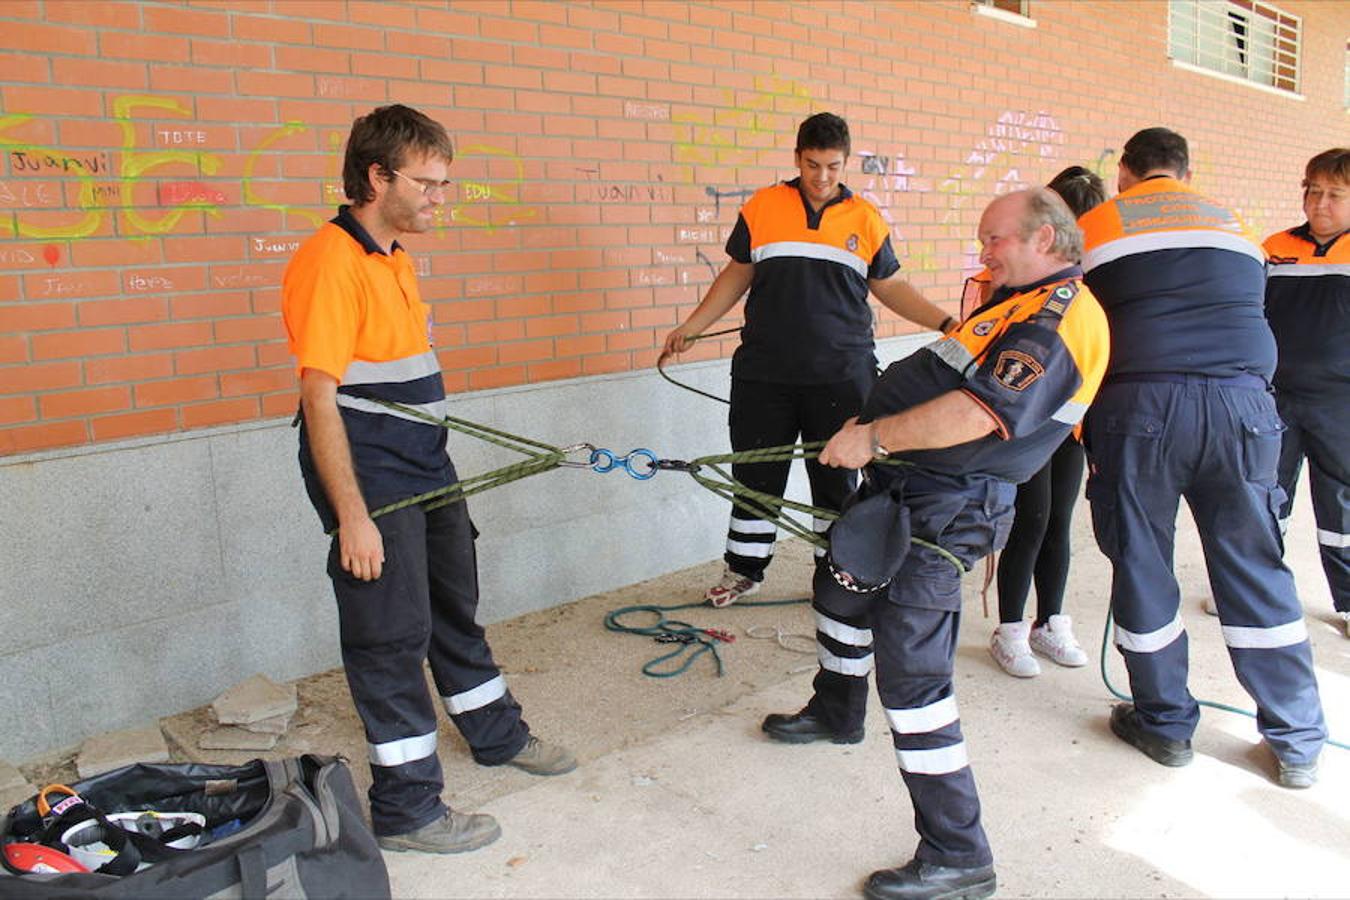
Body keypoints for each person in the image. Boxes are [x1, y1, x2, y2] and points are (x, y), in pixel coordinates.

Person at [762, 188, 1110, 900]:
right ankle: (836, 709)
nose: (983, 253)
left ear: (1044, 239)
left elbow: (976, 414)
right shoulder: (1010, 300)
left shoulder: (1057, 318)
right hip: (902, 490)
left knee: (915, 677)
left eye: (994, 240)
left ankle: (958, 852)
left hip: (950, 509)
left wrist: (873, 436)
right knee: (839, 594)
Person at [281, 104, 575, 855]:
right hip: (369, 467)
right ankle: (408, 809)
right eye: (429, 182)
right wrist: (353, 516)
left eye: (446, 183)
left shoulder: (394, 256)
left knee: (453, 600)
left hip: (423, 461)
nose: (441, 197)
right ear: (378, 177)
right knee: (389, 631)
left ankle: (496, 734)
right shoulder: (329, 261)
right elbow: (321, 398)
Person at [1078, 127, 1327, 789]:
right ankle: (1298, 739)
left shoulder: (1098, 223)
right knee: (1255, 566)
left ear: (1127, 173)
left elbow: (1073, 323)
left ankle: (1164, 725)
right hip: (1244, 410)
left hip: (1142, 411)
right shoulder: (1238, 225)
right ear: (1185, 173)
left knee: (1143, 562)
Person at [661, 112, 955, 608]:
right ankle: (744, 571)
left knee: (836, 479)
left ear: (845, 163)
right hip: (763, 375)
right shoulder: (763, 207)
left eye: (833, 167)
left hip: (841, 377)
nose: (822, 177)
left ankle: (834, 573)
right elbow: (737, 274)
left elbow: (890, 286)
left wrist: (946, 322)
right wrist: (693, 326)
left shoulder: (865, 218)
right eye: (813, 164)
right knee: (754, 475)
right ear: (797, 158)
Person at [987, 166, 1107, 677]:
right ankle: (1010, 628)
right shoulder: (1016, 280)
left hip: (1071, 423)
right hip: (1027, 424)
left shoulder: (1094, 278)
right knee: (1029, 521)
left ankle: (1050, 619)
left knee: (1059, 522)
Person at [1261, 148, 1349, 636]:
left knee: (1343, 506)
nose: (1319, 203)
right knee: (1265, 495)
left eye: (1335, 194)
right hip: (1276, 398)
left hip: (1341, 405)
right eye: (1313, 191)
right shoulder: (1275, 247)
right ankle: (1259, 588)